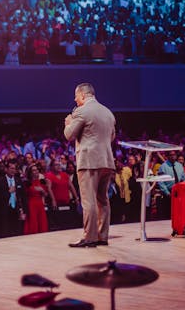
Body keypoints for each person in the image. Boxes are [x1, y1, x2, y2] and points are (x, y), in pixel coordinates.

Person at [64, 82, 116, 247]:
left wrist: (68, 122)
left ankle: (90, 236)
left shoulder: (81, 111)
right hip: (106, 160)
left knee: (89, 201)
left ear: (83, 95)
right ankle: (102, 236)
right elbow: (112, 137)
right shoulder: (108, 112)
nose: (75, 100)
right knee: (103, 199)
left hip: (89, 161)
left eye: (76, 96)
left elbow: (70, 135)